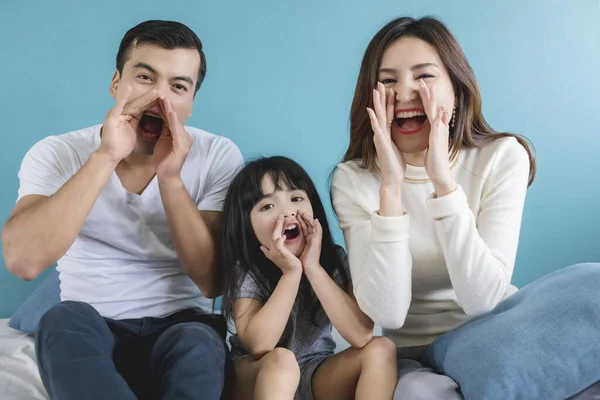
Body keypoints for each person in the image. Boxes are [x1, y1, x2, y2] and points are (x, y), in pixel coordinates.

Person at [2, 20, 243, 400]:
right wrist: (106, 156)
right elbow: (23, 261)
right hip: (89, 321)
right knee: (61, 321)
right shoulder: (57, 152)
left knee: (200, 339)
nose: (160, 98)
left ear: (191, 102)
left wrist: (171, 179)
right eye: (146, 77)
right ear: (116, 83)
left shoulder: (218, 156)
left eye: (178, 86)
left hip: (183, 325)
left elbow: (213, 281)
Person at [331, 16, 536, 399]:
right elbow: (388, 314)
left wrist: (443, 184)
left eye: (423, 77)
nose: (405, 92)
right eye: (388, 80)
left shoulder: (502, 157)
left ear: (456, 90)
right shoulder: (352, 179)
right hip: (414, 354)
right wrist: (391, 190)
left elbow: (482, 300)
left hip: (495, 333)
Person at [221, 156, 398, 400]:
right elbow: (258, 346)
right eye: (267, 206)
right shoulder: (248, 268)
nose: (287, 211)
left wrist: (312, 267)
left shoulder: (333, 260)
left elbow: (360, 334)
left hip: (314, 370)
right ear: (247, 225)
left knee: (381, 348)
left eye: (296, 198)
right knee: (283, 362)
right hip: (258, 374)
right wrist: (290, 274)